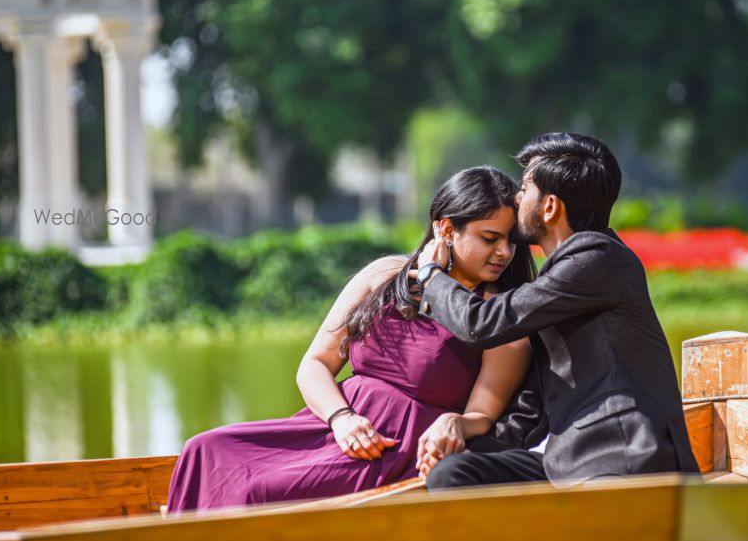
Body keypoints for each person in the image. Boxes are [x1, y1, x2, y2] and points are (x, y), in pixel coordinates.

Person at [166, 167, 535, 511]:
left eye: (510, 241)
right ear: (447, 230)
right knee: (203, 450)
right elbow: (314, 365)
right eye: (490, 238)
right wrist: (341, 418)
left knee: (258, 492)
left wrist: (456, 423)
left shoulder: (497, 315)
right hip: (333, 426)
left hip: (392, 450)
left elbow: (481, 415)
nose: (504, 252)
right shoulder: (384, 276)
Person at [412, 133, 700, 489]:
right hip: (571, 461)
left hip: (625, 458)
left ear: (549, 207)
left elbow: (482, 324)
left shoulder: (598, 258)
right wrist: (465, 441)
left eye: (525, 187)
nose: (516, 198)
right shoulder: (568, 275)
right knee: (456, 473)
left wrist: (430, 275)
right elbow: (530, 411)